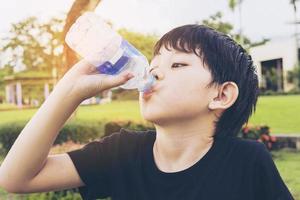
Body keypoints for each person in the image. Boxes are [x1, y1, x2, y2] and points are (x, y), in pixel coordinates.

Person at [0, 24, 294, 200]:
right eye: (153, 64)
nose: (154, 72)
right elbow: (17, 178)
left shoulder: (246, 162)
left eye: (177, 64)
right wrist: (70, 91)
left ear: (221, 94)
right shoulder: (123, 151)